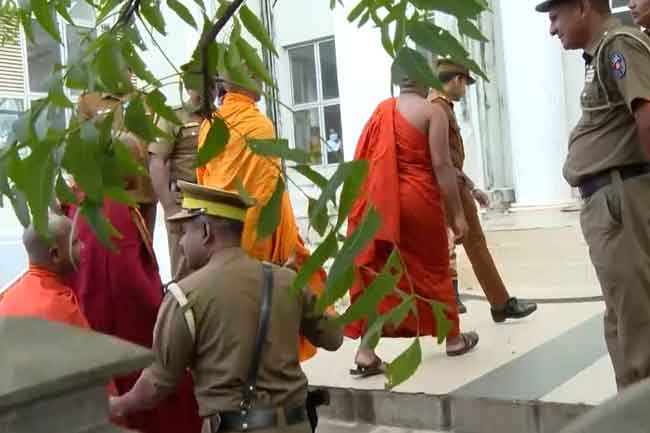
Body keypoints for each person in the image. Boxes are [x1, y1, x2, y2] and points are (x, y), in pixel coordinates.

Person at [108, 181, 344, 433]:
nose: (181, 243)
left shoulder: (184, 297)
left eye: (185, 232)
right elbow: (333, 338)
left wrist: (118, 405)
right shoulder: (288, 281)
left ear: (206, 232)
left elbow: (158, 382)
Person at [536, 0, 650, 390]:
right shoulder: (601, 53)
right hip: (609, 203)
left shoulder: (619, 45)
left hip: (621, 200)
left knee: (638, 323)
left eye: (555, 17)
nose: (552, 29)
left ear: (583, 7)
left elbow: (646, 116)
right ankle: (630, 409)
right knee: (621, 320)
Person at [65, 133, 202, 433]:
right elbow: (130, 280)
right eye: (136, 163)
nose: (140, 171)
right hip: (126, 328)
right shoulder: (114, 209)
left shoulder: (87, 201)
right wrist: (163, 314)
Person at [344, 74, 479, 377]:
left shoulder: (382, 111)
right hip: (419, 201)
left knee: (383, 276)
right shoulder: (432, 112)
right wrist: (457, 215)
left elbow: (364, 162)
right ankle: (453, 338)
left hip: (383, 203)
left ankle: (366, 351)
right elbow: (442, 166)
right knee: (434, 269)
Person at [197, 77, 329, 361]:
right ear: (238, 82)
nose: (261, 82)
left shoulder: (209, 125)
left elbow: (204, 181)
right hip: (258, 236)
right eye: (255, 77)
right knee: (268, 309)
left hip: (221, 235)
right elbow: (266, 193)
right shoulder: (261, 126)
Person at [430, 59, 538, 321]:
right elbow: (442, 161)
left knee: (454, 248)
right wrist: (464, 194)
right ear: (457, 80)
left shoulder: (439, 107)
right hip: (450, 188)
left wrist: (473, 187)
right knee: (472, 245)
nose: (465, 89)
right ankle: (499, 304)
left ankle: (494, 304)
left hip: (452, 184)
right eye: (465, 83)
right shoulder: (438, 109)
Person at [150, 72, 218, 280]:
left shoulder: (222, 118)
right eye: (200, 85)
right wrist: (170, 208)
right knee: (185, 270)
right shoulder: (173, 116)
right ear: (188, 88)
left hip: (215, 204)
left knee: (217, 269)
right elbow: (157, 162)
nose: (207, 91)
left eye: (212, 85)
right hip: (185, 205)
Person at [77, 82, 157, 234]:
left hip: (144, 190)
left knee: (144, 242)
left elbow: (157, 143)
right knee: (115, 242)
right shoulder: (89, 101)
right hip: (109, 193)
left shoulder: (147, 100)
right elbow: (82, 144)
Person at [0, 214, 86, 329]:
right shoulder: (60, 308)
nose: (82, 246)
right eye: (75, 242)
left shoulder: (9, 297)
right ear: (55, 254)